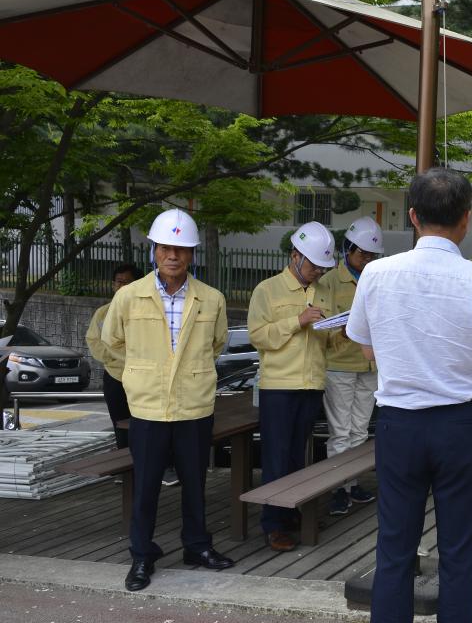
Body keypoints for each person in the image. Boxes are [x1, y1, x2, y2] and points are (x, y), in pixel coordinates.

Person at [346, 168, 472, 623]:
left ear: (413, 216)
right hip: (460, 426)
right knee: (458, 552)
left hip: (399, 423)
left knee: (394, 548)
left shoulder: (376, 275)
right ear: (467, 221)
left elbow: (365, 344)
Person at [101, 208, 235, 592]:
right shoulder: (129, 297)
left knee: (195, 482)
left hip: (193, 405)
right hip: (146, 407)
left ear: (192, 254)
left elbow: (216, 343)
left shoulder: (211, 299)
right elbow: (113, 342)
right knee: (145, 486)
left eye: (181, 248)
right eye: (165, 247)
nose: (173, 255)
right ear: (154, 251)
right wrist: (141, 373)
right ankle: (142, 555)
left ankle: (196, 546)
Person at [248, 221, 334, 552]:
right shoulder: (267, 290)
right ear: (295, 255)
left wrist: (338, 331)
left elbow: (325, 340)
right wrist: (296, 321)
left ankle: (291, 512)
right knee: (276, 457)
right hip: (279, 387)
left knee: (298, 455)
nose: (317, 272)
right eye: (313, 264)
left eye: (322, 267)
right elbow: (259, 337)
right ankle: (273, 524)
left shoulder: (324, 289)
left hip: (312, 383)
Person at [319, 217, 384, 516]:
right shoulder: (331, 280)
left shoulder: (378, 277)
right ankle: (337, 489)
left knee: (359, 431)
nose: (367, 259)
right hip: (340, 364)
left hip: (369, 364)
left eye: (371, 255)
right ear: (348, 249)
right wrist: (344, 330)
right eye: (362, 253)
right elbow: (324, 324)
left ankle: (353, 483)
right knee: (340, 432)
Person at [86, 263, 139, 450]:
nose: (122, 286)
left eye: (127, 282)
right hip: (115, 378)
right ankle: (125, 472)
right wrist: (116, 357)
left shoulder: (147, 312)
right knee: (120, 426)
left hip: (143, 378)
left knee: (146, 426)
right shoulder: (103, 313)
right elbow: (94, 341)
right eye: (119, 282)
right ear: (113, 284)